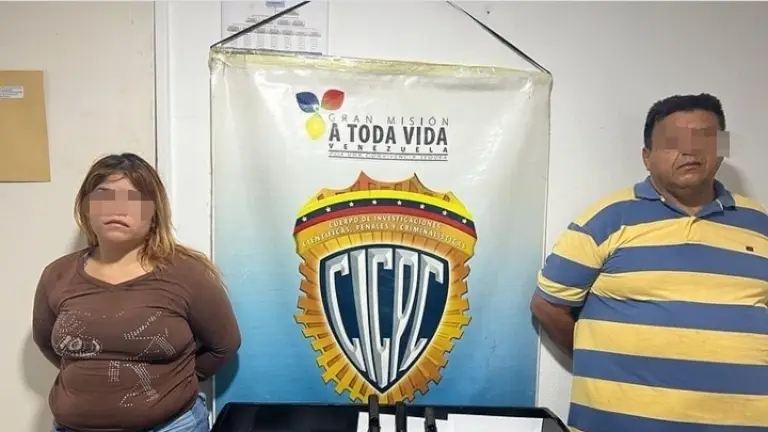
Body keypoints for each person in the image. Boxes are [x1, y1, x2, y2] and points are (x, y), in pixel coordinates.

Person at [531, 94, 768, 431]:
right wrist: (601, 360)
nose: (690, 151)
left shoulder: (760, 224)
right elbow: (547, 306)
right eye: (673, 142)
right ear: (647, 156)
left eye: (704, 138)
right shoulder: (607, 219)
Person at [32, 153, 241, 432]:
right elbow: (46, 342)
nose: (117, 208)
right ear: (86, 208)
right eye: (104, 195)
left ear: (154, 214)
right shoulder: (57, 275)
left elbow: (224, 345)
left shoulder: (187, 274)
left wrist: (176, 381)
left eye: (133, 198)